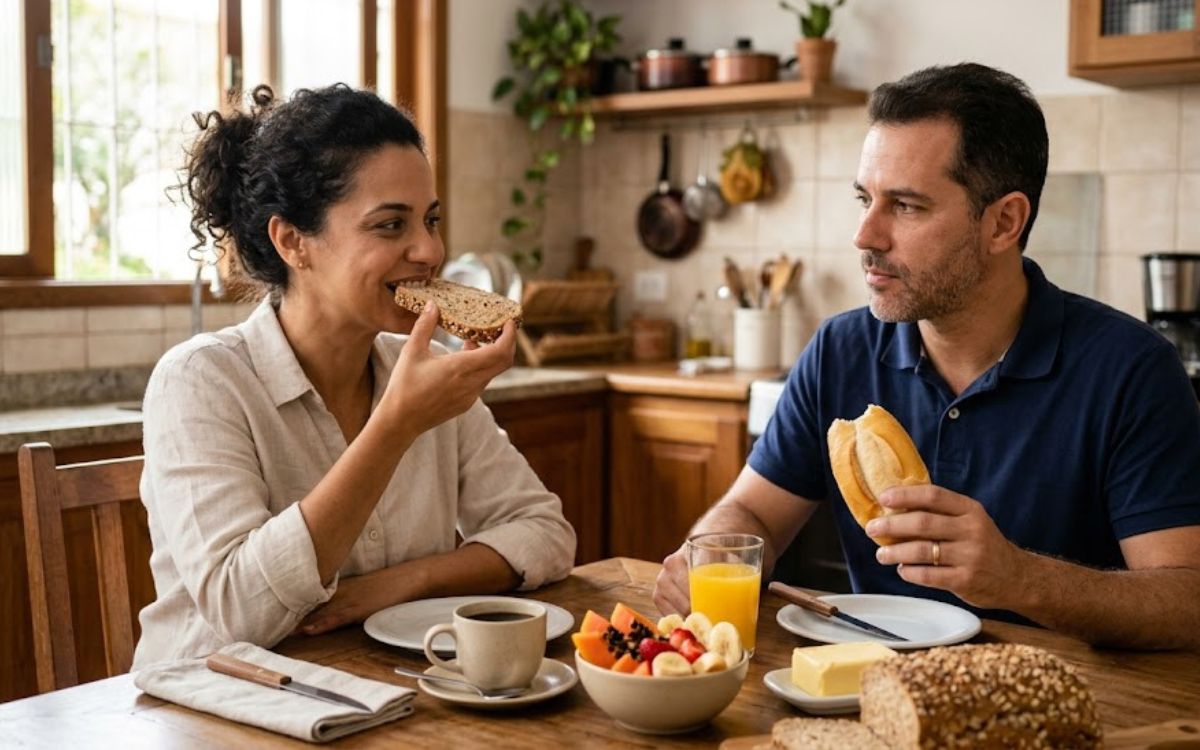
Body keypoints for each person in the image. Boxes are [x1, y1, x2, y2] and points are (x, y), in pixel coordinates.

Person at [653, 63, 1200, 649]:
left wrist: (1020, 578)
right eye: (865, 198)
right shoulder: (840, 349)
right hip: (862, 691)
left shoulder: (1132, 370)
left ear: (1004, 222)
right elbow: (751, 516)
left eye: (907, 206)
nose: (866, 234)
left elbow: (1186, 603)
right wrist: (710, 555)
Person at [132, 84, 576, 667]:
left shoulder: (427, 373)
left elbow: (545, 533)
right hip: (216, 708)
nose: (428, 250)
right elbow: (242, 610)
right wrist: (396, 425)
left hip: (387, 693)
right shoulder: (199, 382)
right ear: (293, 241)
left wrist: (401, 584)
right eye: (391, 226)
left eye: (431, 220)